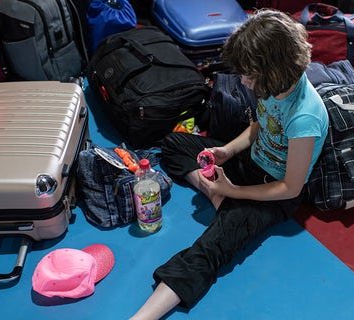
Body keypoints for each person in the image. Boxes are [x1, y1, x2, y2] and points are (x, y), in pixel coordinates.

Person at [130, 9, 329, 320]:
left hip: (273, 193)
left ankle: (141, 317)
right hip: (248, 166)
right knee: (173, 144)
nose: (243, 81)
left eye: (249, 75)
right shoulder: (277, 86)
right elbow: (262, 125)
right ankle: (216, 195)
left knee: (211, 247)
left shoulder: (306, 116)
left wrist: (235, 192)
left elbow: (290, 187)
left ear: (273, 71)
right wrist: (226, 150)